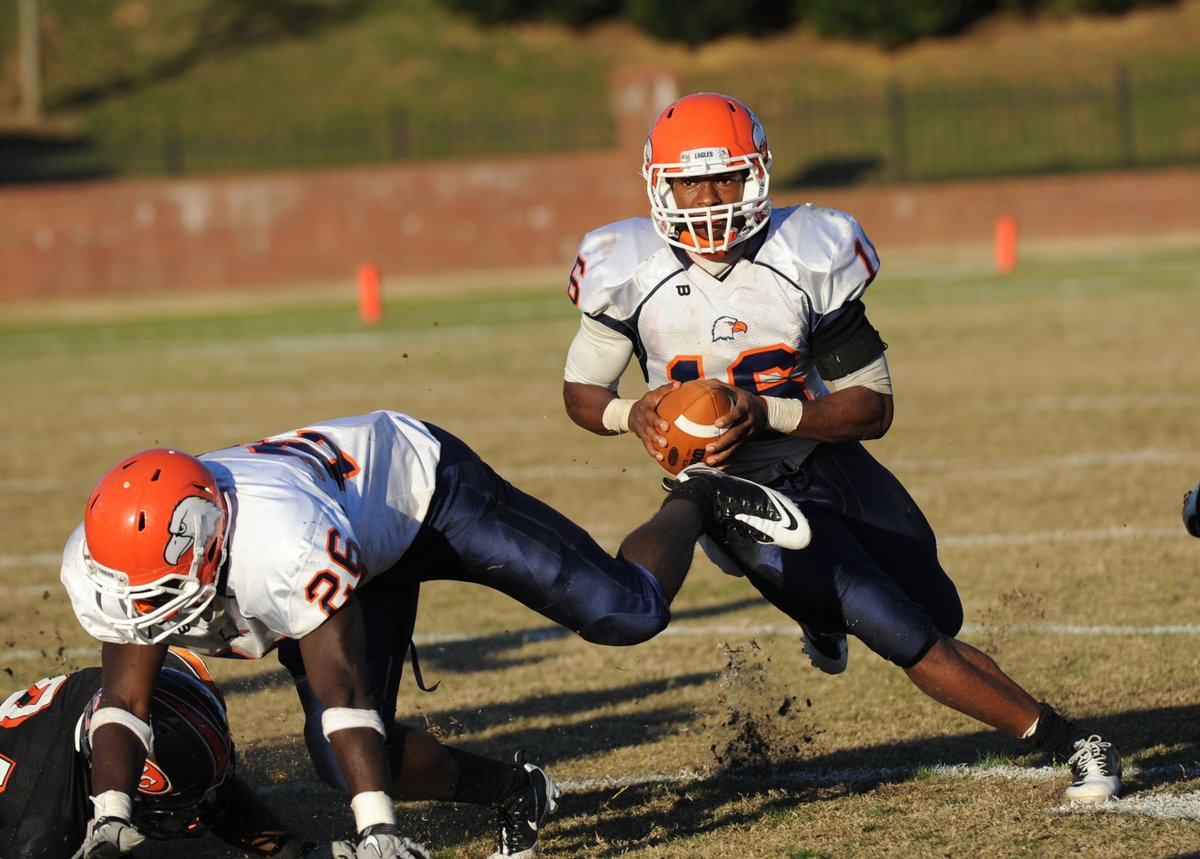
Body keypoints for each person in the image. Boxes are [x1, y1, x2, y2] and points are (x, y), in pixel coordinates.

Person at [560, 91, 1123, 803]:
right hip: (731, 491)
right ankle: (1072, 742)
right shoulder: (627, 268)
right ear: (658, 186)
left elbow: (872, 406)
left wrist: (764, 412)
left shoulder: (807, 251)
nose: (709, 200)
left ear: (757, 174)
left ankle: (820, 615)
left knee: (938, 608)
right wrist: (627, 413)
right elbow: (581, 391)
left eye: (725, 178)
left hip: (817, 453)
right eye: (690, 183)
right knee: (902, 630)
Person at [59, 409, 807, 859]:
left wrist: (378, 830)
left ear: (208, 542)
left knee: (628, 612)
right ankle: (518, 792)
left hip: (426, 496)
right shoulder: (122, 558)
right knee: (344, 762)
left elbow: (343, 692)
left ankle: (697, 497)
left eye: (152, 590)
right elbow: (124, 699)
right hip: (347, 544)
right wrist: (109, 818)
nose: (138, 606)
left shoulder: (281, 542)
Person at [0, 647, 315, 858]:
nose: (191, 818)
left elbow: (217, 796)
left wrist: (292, 851)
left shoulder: (158, 683)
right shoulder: (40, 831)